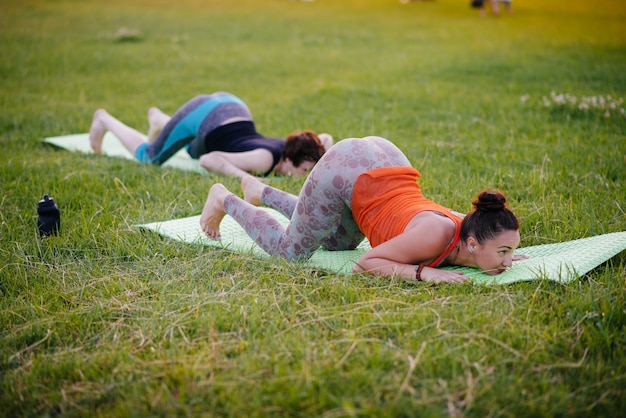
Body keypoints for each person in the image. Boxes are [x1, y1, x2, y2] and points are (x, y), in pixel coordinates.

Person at [199, 136, 526, 284]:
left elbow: (486, 232)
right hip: (350, 167)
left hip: (384, 168)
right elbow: (365, 264)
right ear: (472, 244)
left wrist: (500, 251)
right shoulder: (436, 234)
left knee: (337, 242)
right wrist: (426, 273)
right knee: (290, 252)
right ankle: (224, 199)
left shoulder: (470, 227)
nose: (508, 260)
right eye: (503, 251)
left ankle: (262, 191)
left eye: (510, 251)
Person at [89, 92, 333, 179]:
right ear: (289, 161)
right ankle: (105, 119)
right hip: (204, 114)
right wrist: (249, 179)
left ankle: (161, 121)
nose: (305, 177)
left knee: (192, 149)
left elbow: (326, 137)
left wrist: (324, 151)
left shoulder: (292, 147)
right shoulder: (264, 160)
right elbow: (209, 161)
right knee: (150, 157)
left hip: (234, 111)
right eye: (304, 172)